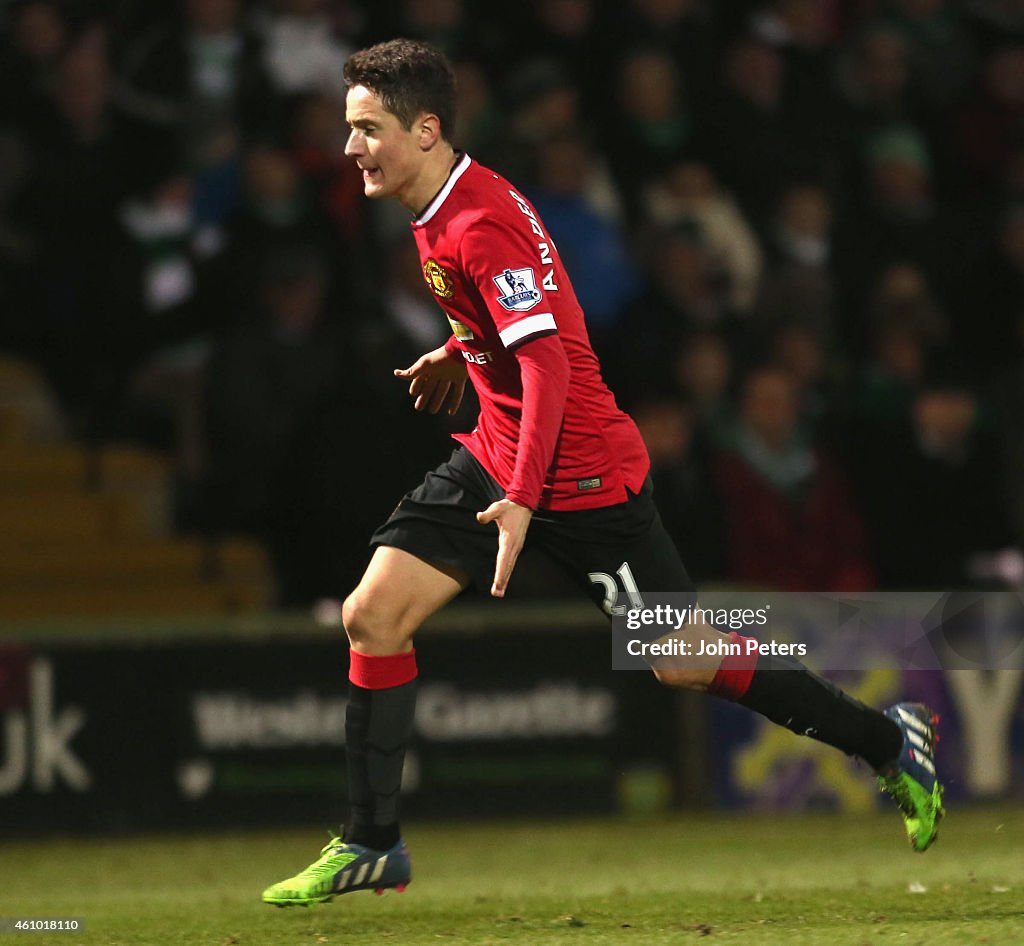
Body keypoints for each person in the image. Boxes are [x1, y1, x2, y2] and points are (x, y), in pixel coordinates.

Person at [261, 38, 944, 908]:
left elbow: (546, 362)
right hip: (503, 452)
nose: (348, 145)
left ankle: (890, 742)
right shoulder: (447, 200)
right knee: (372, 615)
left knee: (679, 661)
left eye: (365, 128)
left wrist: (521, 497)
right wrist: (459, 350)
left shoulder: (476, 221)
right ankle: (372, 841)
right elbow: (527, 322)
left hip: (580, 479)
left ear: (425, 129)